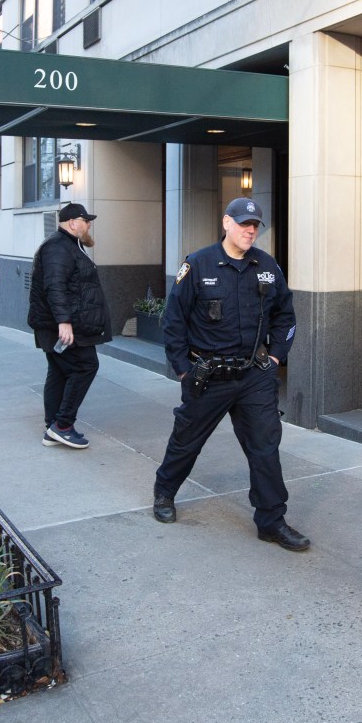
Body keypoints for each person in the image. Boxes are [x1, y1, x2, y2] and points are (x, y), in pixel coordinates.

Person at [152, 198, 308, 552]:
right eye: (243, 224)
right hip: (208, 375)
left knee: (265, 448)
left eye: (255, 225)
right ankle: (165, 492)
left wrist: (277, 358)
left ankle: (271, 521)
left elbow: (286, 316)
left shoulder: (267, 267)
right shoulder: (198, 264)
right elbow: (173, 320)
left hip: (254, 375)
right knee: (187, 440)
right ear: (226, 223)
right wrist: (182, 370)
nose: (250, 230)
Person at [27, 203, 112, 449]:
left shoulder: (68, 245)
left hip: (63, 324)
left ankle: (53, 426)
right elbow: (55, 286)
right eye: (86, 221)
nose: (88, 225)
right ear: (73, 222)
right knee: (87, 365)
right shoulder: (58, 247)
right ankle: (62, 425)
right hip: (63, 326)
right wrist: (63, 322)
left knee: (59, 371)